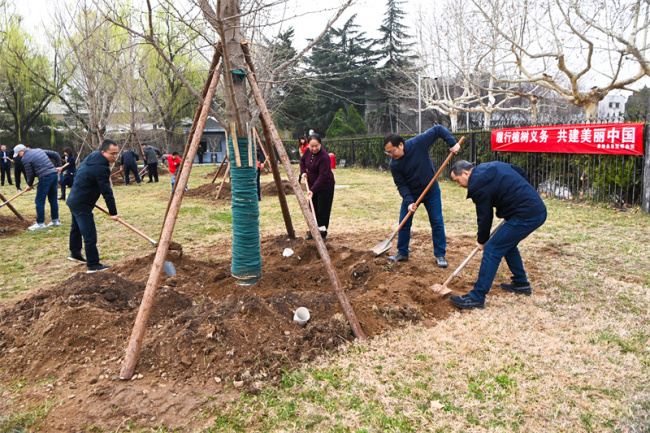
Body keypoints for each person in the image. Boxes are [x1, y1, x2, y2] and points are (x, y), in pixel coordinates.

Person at [448, 160, 547, 310]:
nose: (459, 185)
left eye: (457, 180)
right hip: (534, 209)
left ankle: (477, 297)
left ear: (466, 173)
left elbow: (485, 216)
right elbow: (519, 170)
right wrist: (520, 194)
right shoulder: (489, 166)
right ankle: (521, 283)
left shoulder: (477, 186)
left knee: (492, 248)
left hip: (526, 214)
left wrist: (482, 240)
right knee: (506, 244)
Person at [383, 126, 460, 267]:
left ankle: (440, 254)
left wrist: (452, 143)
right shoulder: (394, 164)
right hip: (412, 194)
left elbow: (438, 130)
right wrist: (409, 202)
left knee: (436, 221)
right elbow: (401, 184)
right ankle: (402, 252)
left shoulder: (418, 143)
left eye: (392, 151)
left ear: (400, 145)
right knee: (404, 222)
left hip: (431, 191)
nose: (391, 155)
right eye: (388, 153)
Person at [66, 139, 120, 273]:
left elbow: (80, 174)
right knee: (89, 234)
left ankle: (75, 253)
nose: (115, 156)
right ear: (103, 152)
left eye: (116, 153)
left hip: (74, 199)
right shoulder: (101, 168)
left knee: (76, 228)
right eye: (112, 154)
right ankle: (93, 264)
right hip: (81, 203)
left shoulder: (91, 158)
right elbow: (107, 191)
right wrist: (113, 212)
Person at [14, 144, 63, 230]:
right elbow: (55, 154)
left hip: (45, 177)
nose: (19, 156)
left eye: (18, 154)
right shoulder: (39, 150)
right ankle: (55, 221)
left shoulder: (25, 158)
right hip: (54, 175)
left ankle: (40, 223)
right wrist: (59, 165)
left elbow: (30, 174)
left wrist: (29, 185)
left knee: (39, 200)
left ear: (22, 151)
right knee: (53, 199)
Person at [299, 133, 335, 241]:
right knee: (312, 209)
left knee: (322, 211)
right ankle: (313, 232)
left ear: (320, 144)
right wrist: (303, 172)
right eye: (312, 146)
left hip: (325, 187)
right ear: (308, 145)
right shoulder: (307, 152)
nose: (314, 148)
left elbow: (323, 176)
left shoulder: (324, 157)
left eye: (316, 146)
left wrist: (313, 190)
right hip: (312, 186)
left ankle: (322, 233)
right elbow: (302, 161)